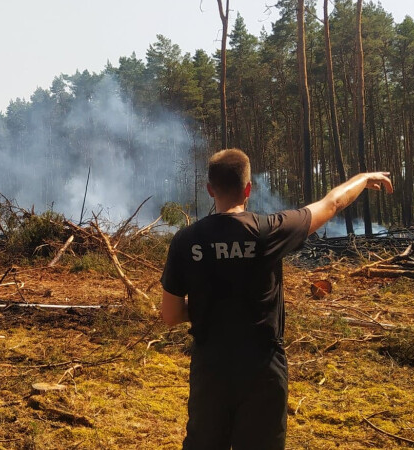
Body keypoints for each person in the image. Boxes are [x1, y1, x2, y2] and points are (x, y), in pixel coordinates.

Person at [160, 149, 393, 449]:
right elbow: (332, 203)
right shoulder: (269, 231)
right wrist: (362, 177)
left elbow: (170, 315)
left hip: (210, 370)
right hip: (262, 370)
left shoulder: (186, 240)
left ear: (209, 189)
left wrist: (208, 307)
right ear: (248, 189)